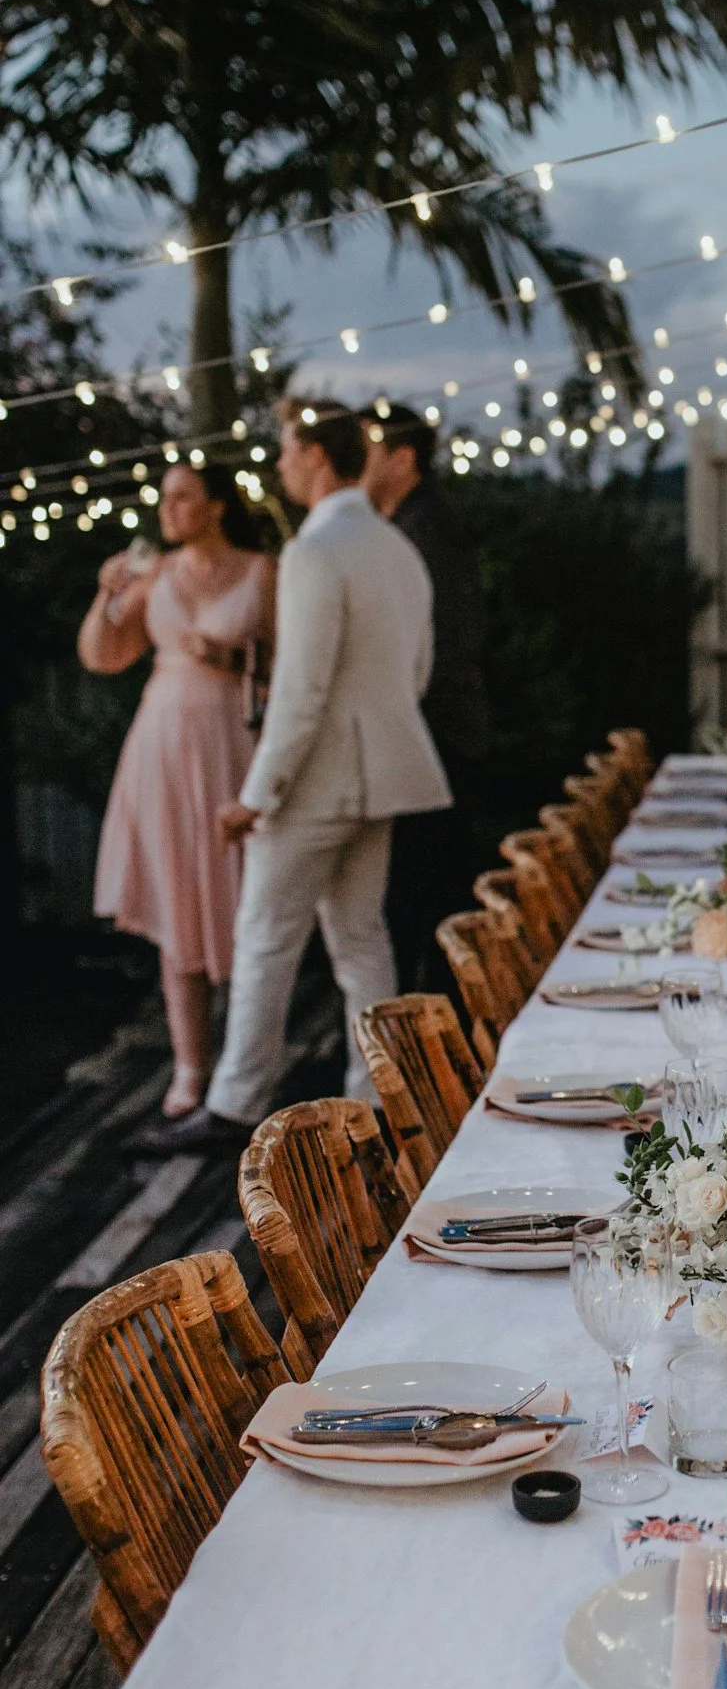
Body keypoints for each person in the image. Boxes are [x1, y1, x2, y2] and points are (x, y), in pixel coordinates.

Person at [154, 401, 449, 1153]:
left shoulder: (317, 550)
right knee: (360, 939)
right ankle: (376, 1099)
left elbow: (301, 689)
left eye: (285, 451)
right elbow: (415, 673)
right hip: (382, 774)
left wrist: (256, 796)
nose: (279, 466)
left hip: (319, 782)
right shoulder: (394, 546)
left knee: (264, 936)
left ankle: (231, 1106)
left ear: (317, 455)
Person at [79, 462, 275, 1118]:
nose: (168, 508)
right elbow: (104, 655)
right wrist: (106, 596)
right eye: (163, 497)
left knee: (246, 902)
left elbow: (290, 665)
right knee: (176, 898)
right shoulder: (154, 571)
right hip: (161, 747)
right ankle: (190, 1066)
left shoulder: (260, 570)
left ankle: (248, 1066)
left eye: (183, 496)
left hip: (233, 746)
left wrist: (234, 661)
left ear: (216, 506)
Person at [360, 401, 489, 990]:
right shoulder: (404, 527)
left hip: (436, 737)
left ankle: (428, 1039)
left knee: (424, 902)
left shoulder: (426, 531)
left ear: (403, 457)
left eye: (368, 448)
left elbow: (444, 641)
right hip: (427, 734)